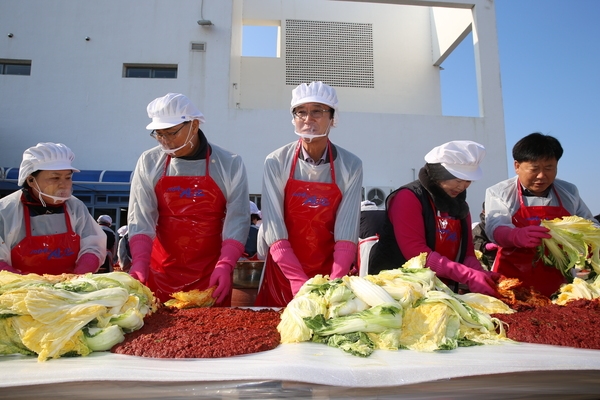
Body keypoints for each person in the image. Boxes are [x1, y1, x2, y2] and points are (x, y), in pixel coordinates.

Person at [127, 93, 250, 305]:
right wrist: (139, 261)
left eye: (171, 133)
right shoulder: (149, 161)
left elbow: (237, 218)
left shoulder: (229, 163)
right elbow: (141, 216)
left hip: (212, 273)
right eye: (158, 134)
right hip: (160, 273)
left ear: (193, 125)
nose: (164, 140)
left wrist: (226, 264)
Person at [255, 81, 363, 307]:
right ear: (293, 118)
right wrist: (296, 279)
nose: (308, 118)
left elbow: (347, 228)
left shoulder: (351, 165)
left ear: (333, 118)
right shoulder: (276, 161)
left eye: (317, 111)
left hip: (329, 269)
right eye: (300, 112)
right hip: (284, 273)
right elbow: (274, 224)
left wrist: (335, 280)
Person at [369, 140, 500, 297]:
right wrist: (468, 275)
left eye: (468, 181)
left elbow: (467, 254)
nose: (463, 186)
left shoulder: (460, 205)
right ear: (439, 174)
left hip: (439, 291)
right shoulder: (408, 197)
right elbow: (417, 254)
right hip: (398, 289)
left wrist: (481, 275)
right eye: (458, 180)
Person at [485, 133, 598, 297]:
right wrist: (515, 235)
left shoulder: (569, 192)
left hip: (560, 281)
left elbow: (589, 224)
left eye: (549, 168)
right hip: (511, 280)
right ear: (517, 166)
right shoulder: (499, 192)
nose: (541, 176)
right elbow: (495, 227)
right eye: (534, 169)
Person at [0, 142, 106, 275]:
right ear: (31, 180)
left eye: (68, 177)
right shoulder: (5, 211)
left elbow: (93, 245)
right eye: (55, 178)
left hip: (69, 291)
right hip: (18, 292)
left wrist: (80, 274)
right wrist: (23, 284)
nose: (64, 184)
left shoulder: (75, 207)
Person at [471, 202, 498, 269]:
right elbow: (476, 246)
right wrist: (490, 246)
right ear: (484, 212)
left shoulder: (507, 225)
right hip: (488, 263)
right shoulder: (479, 227)